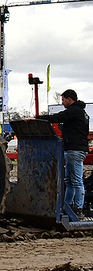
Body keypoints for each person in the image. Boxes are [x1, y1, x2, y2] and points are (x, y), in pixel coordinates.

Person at [30, 89, 90, 218]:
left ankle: (78, 208)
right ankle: (68, 206)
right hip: (75, 149)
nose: (62, 102)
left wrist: (37, 118)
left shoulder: (74, 111)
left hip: (74, 149)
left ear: (70, 99)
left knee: (76, 180)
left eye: (63, 100)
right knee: (69, 180)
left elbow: (57, 117)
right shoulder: (82, 113)